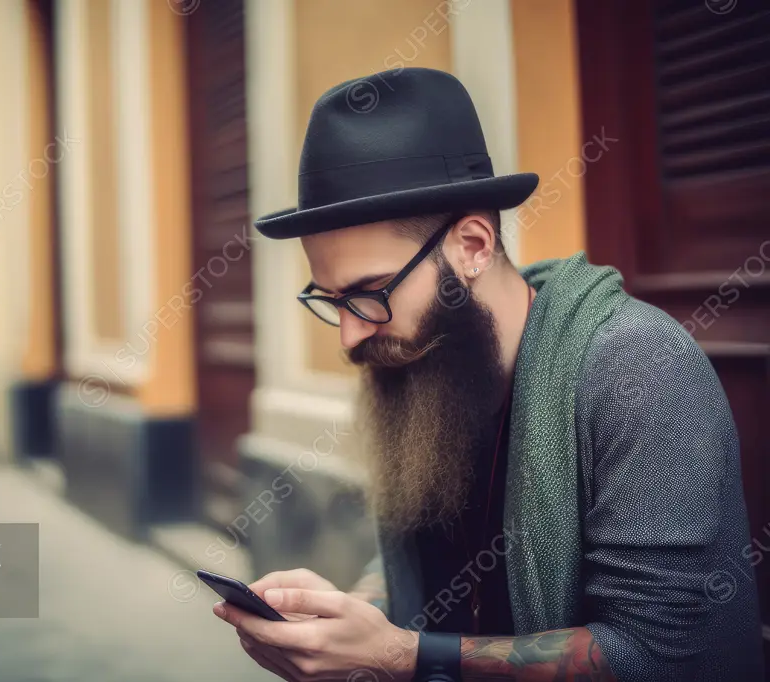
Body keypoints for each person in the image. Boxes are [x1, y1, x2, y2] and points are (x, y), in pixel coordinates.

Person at [210, 67, 763, 681]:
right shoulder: (428, 360)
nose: (349, 334)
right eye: (332, 300)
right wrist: (348, 618)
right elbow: (416, 555)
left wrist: (398, 655)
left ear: (473, 245)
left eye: (369, 293)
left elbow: (668, 656)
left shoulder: (638, 368)